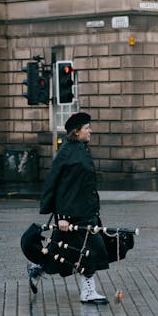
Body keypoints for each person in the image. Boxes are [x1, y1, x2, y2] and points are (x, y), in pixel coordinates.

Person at [38, 112, 109, 304]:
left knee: (70, 252)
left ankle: (37, 271)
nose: (90, 131)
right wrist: (61, 216)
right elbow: (57, 185)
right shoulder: (67, 152)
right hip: (71, 215)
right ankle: (87, 292)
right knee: (85, 251)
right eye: (87, 128)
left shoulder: (82, 149)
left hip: (86, 212)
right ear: (76, 132)